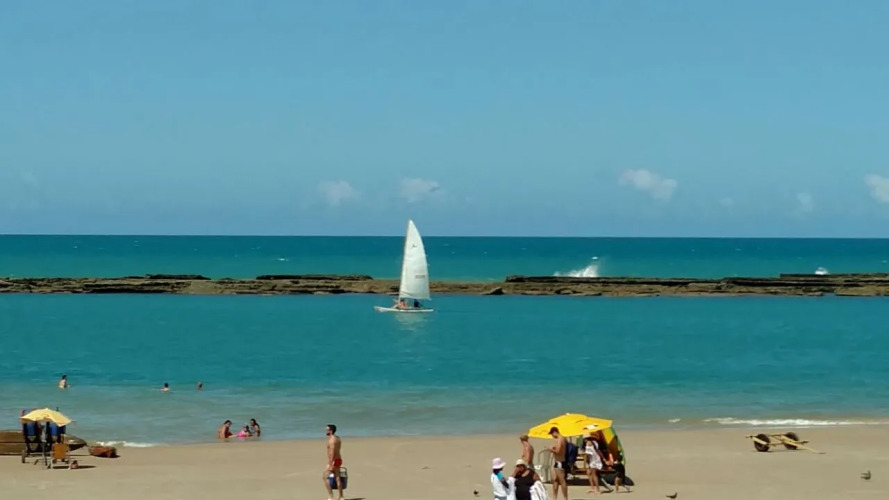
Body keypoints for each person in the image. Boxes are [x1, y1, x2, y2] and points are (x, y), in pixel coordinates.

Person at [323, 424, 344, 500]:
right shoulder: (337, 438)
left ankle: (331, 496)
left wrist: (330, 463)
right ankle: (341, 496)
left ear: (331, 431)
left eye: (327, 430)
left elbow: (332, 453)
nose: (325, 431)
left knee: (325, 477)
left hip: (333, 461)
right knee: (337, 478)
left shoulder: (332, 440)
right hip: (338, 459)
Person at [548, 426, 569, 500]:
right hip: (557, 462)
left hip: (560, 462)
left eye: (552, 434)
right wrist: (554, 447)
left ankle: (565, 498)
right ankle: (554, 497)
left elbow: (558, 451)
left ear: (555, 432)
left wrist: (551, 449)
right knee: (555, 480)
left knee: (562, 480)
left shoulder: (560, 439)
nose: (552, 436)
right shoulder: (561, 439)